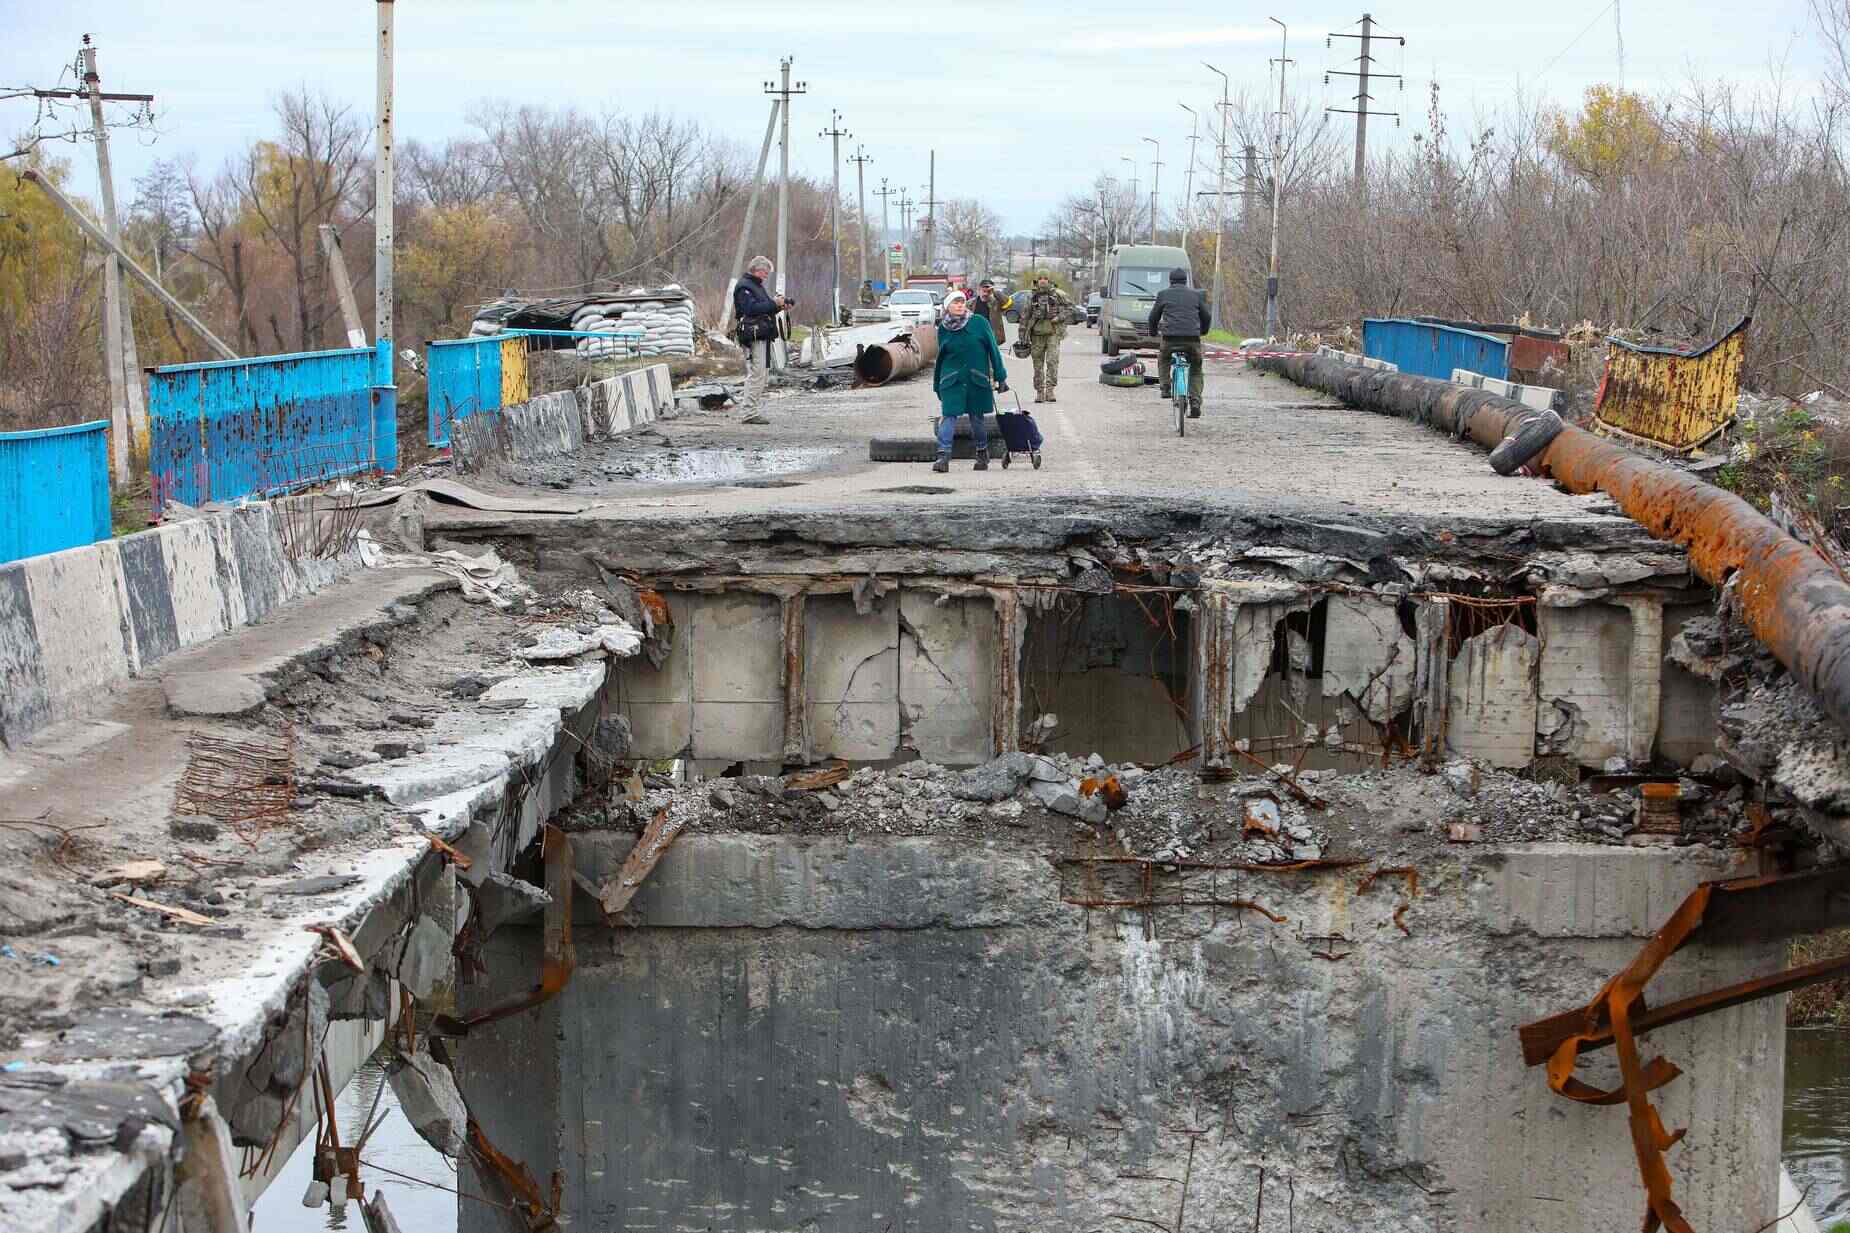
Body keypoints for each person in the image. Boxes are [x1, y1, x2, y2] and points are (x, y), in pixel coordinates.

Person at [931, 290, 1009, 473]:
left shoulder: (979, 323)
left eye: (962, 302)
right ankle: (943, 456)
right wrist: (937, 383)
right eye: (955, 303)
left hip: (976, 378)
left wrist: (1001, 376)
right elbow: (940, 357)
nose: (959, 305)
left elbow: (993, 350)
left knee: (977, 419)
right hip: (952, 379)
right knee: (948, 416)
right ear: (947, 307)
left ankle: (982, 453)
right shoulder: (944, 328)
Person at [1147, 267, 1211, 418]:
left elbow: (1153, 317)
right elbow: (1206, 317)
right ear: (1185, 281)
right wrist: (1203, 331)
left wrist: (1153, 332)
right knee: (1195, 368)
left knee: (1163, 358)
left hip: (1170, 339)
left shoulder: (1163, 294)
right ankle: (1195, 401)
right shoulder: (1196, 296)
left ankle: (1165, 387)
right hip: (1192, 339)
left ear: (1170, 281)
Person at [732, 256, 786, 425]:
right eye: (765, 272)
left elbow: (763, 309)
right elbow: (750, 309)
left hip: (762, 333)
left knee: (761, 374)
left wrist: (778, 306)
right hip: (754, 334)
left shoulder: (755, 286)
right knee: (757, 374)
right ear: (757, 269)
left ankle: (751, 411)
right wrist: (773, 303)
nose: (766, 275)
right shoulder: (744, 287)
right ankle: (748, 413)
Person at [1017, 273, 1073, 403]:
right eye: (1040, 278)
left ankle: (1050, 390)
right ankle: (1039, 392)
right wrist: (1022, 335)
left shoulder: (1058, 294)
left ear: (1049, 280)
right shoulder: (1031, 296)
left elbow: (1070, 308)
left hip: (1053, 333)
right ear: (1037, 280)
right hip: (1036, 335)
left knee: (1052, 362)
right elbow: (1024, 316)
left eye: (1045, 278)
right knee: (1038, 365)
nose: (1043, 281)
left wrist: (1059, 317)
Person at [969, 279, 1006, 345]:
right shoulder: (970, 304)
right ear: (979, 290)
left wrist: (995, 291)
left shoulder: (996, 303)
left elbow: (1009, 304)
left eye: (988, 291)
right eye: (984, 291)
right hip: (974, 338)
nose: (985, 294)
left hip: (991, 338)